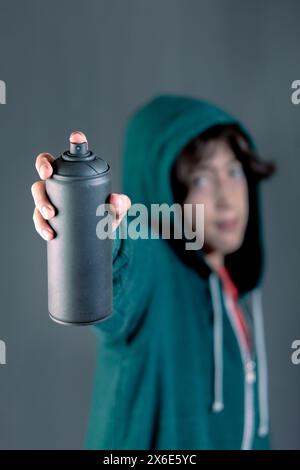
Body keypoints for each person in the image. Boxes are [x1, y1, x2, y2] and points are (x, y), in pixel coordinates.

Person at [31, 94, 276, 450]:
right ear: (169, 192)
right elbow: (128, 259)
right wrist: (90, 222)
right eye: (203, 180)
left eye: (234, 170)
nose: (228, 198)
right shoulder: (155, 277)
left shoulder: (231, 294)